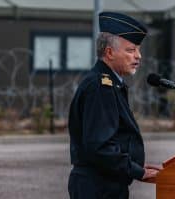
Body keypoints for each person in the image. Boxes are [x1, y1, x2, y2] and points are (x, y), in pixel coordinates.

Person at [68, 12, 162, 199]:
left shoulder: (110, 82)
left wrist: (136, 166)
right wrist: (137, 171)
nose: (138, 56)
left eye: (138, 50)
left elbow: (114, 138)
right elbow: (99, 146)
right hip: (98, 187)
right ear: (109, 52)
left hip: (106, 183)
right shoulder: (100, 86)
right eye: (130, 50)